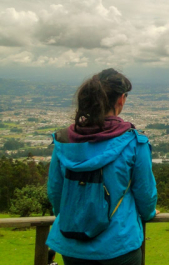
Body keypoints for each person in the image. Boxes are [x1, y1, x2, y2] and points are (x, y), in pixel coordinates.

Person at [46, 68, 158, 265]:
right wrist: (149, 214)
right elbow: (145, 193)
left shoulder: (64, 141)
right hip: (119, 242)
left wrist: (73, 217)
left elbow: (55, 191)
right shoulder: (133, 142)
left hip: (73, 243)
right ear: (121, 100)